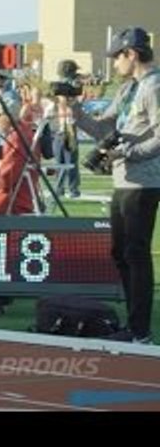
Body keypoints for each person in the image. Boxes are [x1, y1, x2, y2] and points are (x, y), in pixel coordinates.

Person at [70, 27, 160, 344]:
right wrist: (75, 109)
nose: (114, 63)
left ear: (131, 54)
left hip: (145, 182)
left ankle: (140, 330)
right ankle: (133, 325)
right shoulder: (127, 89)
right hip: (123, 181)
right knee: (120, 252)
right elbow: (102, 130)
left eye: (117, 57)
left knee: (136, 252)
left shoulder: (154, 86)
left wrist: (128, 152)